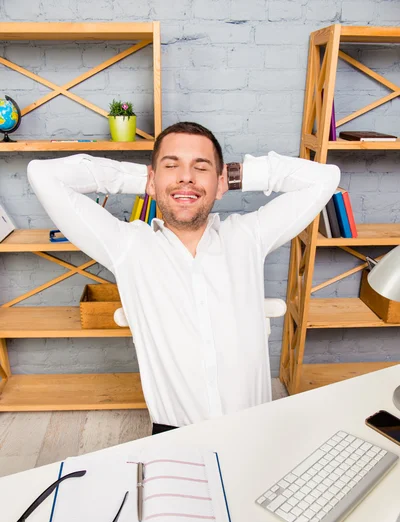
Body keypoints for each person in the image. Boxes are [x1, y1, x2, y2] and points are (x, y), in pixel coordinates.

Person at [27, 121, 340, 434]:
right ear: (151, 179)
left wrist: (227, 177)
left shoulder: (248, 236)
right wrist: (156, 181)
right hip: (173, 436)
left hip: (255, 429)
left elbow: (325, 178)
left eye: (200, 167)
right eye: (172, 165)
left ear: (220, 183)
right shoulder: (128, 246)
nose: (186, 176)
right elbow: (43, 176)